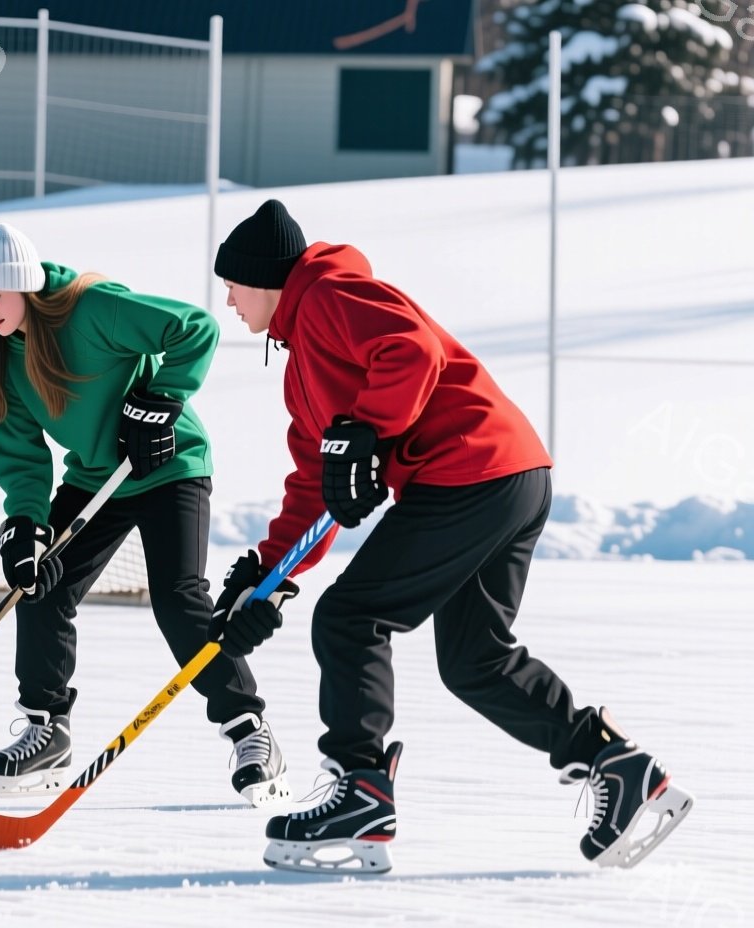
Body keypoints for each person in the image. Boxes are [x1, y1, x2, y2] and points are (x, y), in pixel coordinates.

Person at [209, 199, 694, 873]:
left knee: (352, 616)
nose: (227, 301)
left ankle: (360, 788)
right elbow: (315, 485)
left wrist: (369, 430)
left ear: (265, 279)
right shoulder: (300, 373)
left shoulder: (326, 293)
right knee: (474, 659)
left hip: (471, 469)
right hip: (509, 473)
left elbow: (411, 351)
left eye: (231, 284)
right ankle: (614, 762)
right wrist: (265, 580)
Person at [0, 223, 288, 805]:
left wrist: (160, 399)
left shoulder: (92, 308)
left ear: (26, 286)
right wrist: (26, 524)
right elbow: (21, 454)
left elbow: (196, 328)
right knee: (39, 585)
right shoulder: (4, 356)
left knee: (178, 597)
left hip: (171, 467)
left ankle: (249, 729)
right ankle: (46, 728)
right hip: (97, 480)